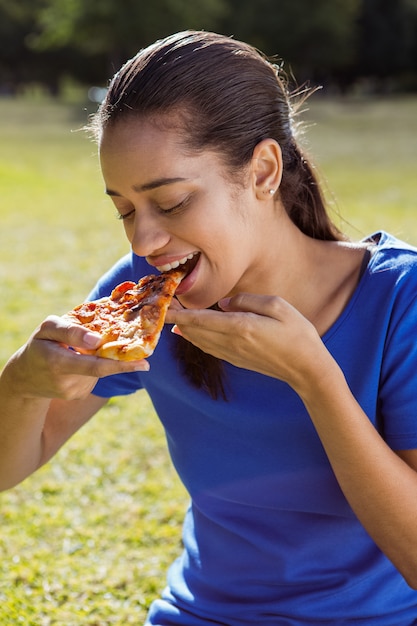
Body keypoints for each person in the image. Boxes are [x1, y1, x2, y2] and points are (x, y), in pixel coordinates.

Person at [1, 30, 417, 626]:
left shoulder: (400, 301)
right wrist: (21, 383)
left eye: (169, 203)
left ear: (264, 171)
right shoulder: (142, 300)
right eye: (123, 209)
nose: (144, 240)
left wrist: (315, 379)